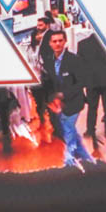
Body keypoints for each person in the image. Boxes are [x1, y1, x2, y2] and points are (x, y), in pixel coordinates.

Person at [38, 28, 94, 170]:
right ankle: (85, 157)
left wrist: (64, 95)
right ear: (50, 43)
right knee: (67, 130)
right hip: (56, 104)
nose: (57, 44)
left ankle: (69, 161)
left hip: (73, 102)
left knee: (67, 129)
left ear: (65, 41)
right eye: (54, 41)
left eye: (60, 41)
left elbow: (82, 82)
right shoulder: (48, 61)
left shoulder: (74, 60)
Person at [74, 30, 106, 143]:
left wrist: (82, 83)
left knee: (92, 108)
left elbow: (80, 66)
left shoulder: (82, 44)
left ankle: (90, 130)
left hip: (92, 82)